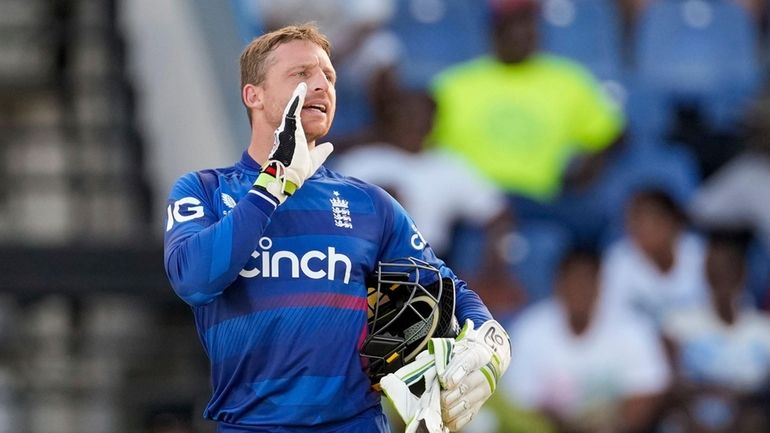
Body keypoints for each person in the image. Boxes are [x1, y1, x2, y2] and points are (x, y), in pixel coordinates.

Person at [163, 24, 510, 433]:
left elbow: (447, 289)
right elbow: (193, 279)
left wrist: (491, 346)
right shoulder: (204, 189)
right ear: (252, 94)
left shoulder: (369, 203)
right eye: (301, 74)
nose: (321, 85)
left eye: (329, 76)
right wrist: (273, 184)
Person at [331, 89, 524, 319]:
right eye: (406, 115)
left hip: (427, 269)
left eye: (420, 116)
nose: (413, 123)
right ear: (391, 118)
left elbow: (498, 214)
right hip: (363, 264)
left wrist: (492, 266)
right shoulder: (361, 161)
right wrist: (374, 202)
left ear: (434, 123)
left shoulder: (449, 166)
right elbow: (328, 214)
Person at [429, 0, 624, 206]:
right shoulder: (452, 84)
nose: (520, 33)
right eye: (511, 24)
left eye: (527, 23)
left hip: (542, 201)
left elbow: (613, 136)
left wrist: (591, 162)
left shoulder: (569, 81)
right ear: (493, 31)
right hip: (471, 202)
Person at [503, 250, 670, 433]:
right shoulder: (529, 329)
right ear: (558, 285)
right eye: (573, 282)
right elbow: (520, 403)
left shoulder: (633, 328)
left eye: (587, 282)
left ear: (600, 286)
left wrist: (613, 427)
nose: (580, 290)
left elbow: (647, 391)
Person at [661, 228, 770, 433]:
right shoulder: (678, 324)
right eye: (714, 272)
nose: (721, 279)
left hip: (746, 419)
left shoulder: (764, 330)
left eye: (729, 271)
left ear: (742, 274)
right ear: (705, 274)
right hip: (691, 418)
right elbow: (670, 384)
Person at [600, 188, 709, 327]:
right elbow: (613, 321)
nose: (635, 228)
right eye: (632, 221)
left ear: (671, 222)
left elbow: (715, 314)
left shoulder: (698, 253)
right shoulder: (618, 260)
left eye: (644, 220)